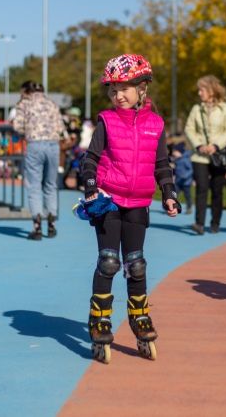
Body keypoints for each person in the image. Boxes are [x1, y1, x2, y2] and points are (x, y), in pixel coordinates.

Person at [76, 54, 179, 362]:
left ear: (142, 87)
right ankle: (100, 317)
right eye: (113, 90)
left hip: (139, 203)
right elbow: (90, 160)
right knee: (109, 261)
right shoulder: (106, 121)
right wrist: (91, 186)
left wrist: (170, 192)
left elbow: (161, 164)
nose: (118, 95)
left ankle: (139, 315)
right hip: (108, 199)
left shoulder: (156, 125)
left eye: (124, 88)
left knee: (136, 264)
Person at [12, 80, 65, 240]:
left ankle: (37, 227)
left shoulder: (24, 104)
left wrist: (26, 130)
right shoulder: (52, 104)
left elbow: (17, 126)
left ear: (26, 91)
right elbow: (61, 127)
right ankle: (51, 224)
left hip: (35, 145)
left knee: (34, 186)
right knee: (50, 184)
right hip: (53, 145)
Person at [184, 74, 226, 235]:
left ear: (212, 91)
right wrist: (199, 145)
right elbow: (189, 128)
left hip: (218, 155)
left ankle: (215, 222)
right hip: (199, 156)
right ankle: (199, 223)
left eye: (202, 89)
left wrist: (215, 145)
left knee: (217, 189)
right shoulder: (196, 109)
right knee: (201, 188)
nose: (199, 93)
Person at [169, 140, 194, 213]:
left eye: (175, 151)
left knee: (187, 195)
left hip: (186, 182)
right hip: (178, 181)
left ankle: (189, 207)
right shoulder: (177, 160)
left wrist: (185, 176)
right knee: (174, 194)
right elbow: (175, 168)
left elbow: (191, 170)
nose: (173, 153)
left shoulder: (185, 160)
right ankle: (171, 206)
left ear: (180, 152)